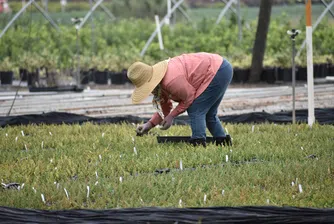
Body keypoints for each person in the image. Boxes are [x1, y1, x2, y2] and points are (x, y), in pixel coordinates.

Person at [127, 52, 233, 147]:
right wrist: (149, 125)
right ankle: (222, 142)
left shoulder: (171, 81)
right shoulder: (159, 84)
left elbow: (189, 98)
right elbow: (165, 107)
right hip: (220, 68)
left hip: (218, 70)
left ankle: (198, 143)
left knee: (196, 108)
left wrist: (171, 116)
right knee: (208, 113)